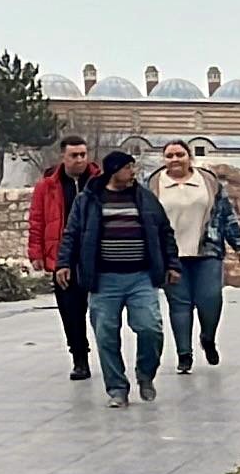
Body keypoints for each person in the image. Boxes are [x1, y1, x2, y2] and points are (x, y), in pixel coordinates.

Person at [67, 148, 175, 406]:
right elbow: (72, 234)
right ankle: (116, 389)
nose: (132, 172)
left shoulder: (146, 199)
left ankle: (145, 374)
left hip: (141, 277)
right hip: (104, 279)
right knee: (105, 335)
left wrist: (172, 264)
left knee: (150, 328)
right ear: (115, 171)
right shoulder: (88, 200)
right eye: (128, 168)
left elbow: (164, 233)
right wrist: (64, 263)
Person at [148, 142, 240, 373]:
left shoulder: (208, 182)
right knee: (179, 305)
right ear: (164, 159)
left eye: (180, 154)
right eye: (169, 155)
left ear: (189, 157)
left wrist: (239, 244)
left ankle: (208, 338)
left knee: (210, 299)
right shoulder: (152, 185)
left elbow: (226, 215)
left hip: (207, 250)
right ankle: (184, 355)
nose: (175, 159)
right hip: (171, 255)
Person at [26, 136, 102, 381]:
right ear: (63, 157)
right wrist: (36, 252)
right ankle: (79, 358)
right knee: (70, 311)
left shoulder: (100, 183)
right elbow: (37, 220)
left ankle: (110, 355)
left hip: (98, 256)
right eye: (74, 155)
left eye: (83, 154)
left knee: (104, 311)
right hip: (63, 257)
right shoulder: (47, 186)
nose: (80, 159)